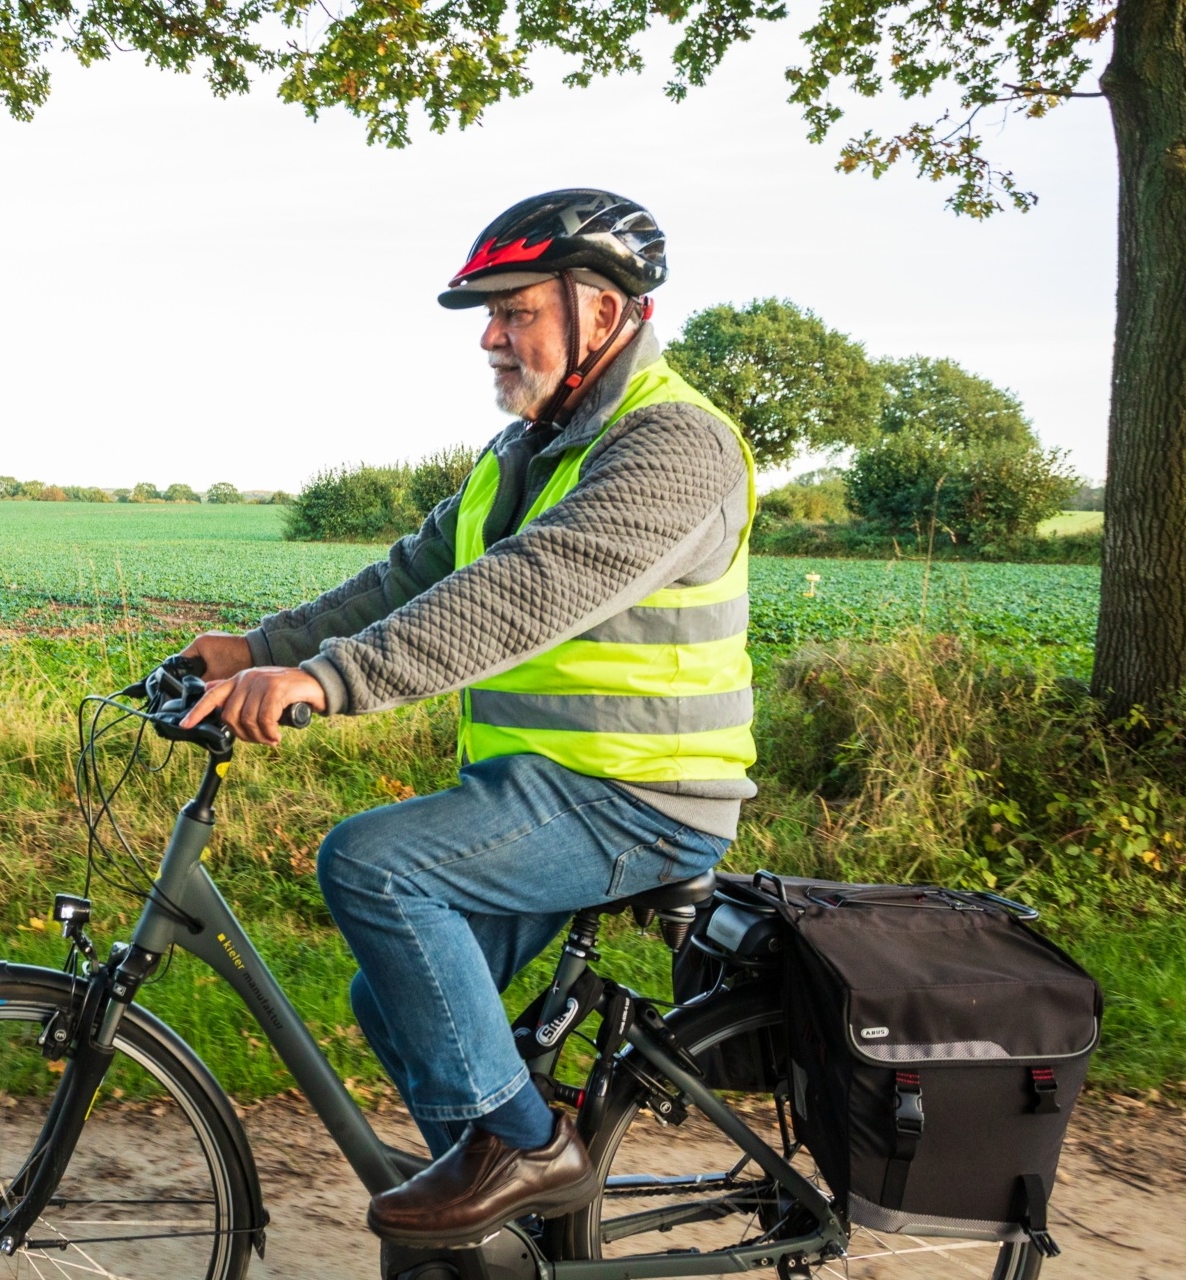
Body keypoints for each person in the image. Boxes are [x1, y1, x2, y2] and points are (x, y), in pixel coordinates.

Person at [177, 189, 756, 1248]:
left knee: (374, 862)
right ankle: (486, 1232)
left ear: (605, 310)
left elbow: (522, 590)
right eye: (486, 315)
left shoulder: (674, 445)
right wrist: (261, 649)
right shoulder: (522, 449)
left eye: (514, 310)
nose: (490, 336)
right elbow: (408, 575)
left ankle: (525, 1149)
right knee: (390, 1000)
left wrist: (328, 681)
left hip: (642, 795)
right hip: (543, 789)